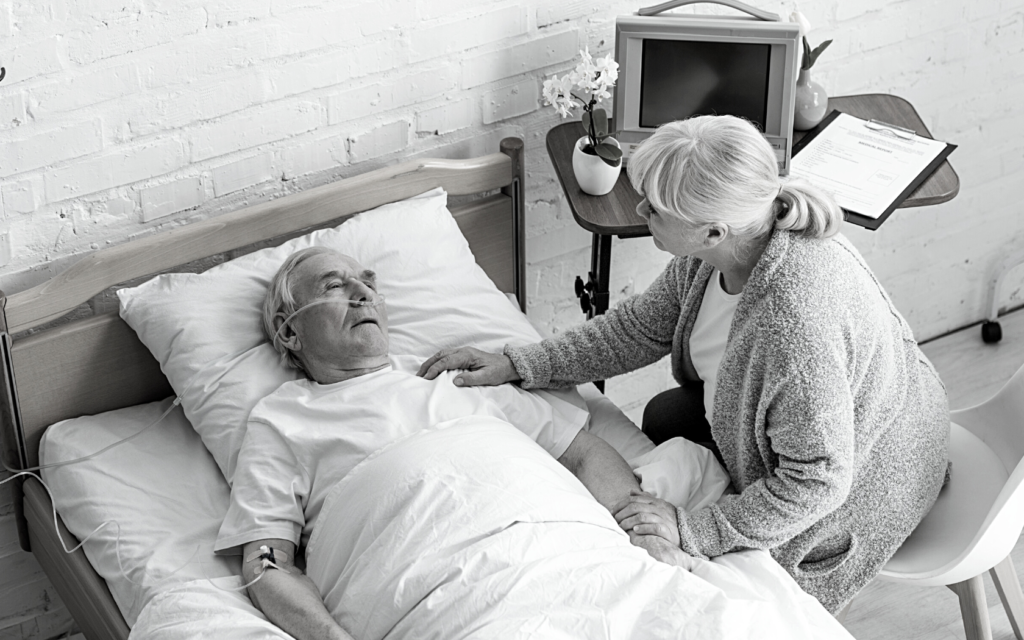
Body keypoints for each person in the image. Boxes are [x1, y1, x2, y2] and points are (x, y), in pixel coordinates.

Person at [416, 114, 950, 614]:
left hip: (869, 482)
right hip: (844, 427)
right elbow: (636, 329)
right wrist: (522, 363)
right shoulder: (726, 248)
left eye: (655, 209)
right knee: (668, 416)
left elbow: (817, 482)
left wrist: (693, 529)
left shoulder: (793, 325)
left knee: (728, 592)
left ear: (712, 231)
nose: (641, 213)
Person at [213, 247, 684, 640]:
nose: (364, 295)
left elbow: (581, 452)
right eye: (335, 286)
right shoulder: (281, 419)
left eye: (369, 284)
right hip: (442, 594)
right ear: (289, 329)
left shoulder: (454, 375)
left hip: (575, 557)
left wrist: (643, 532)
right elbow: (267, 562)